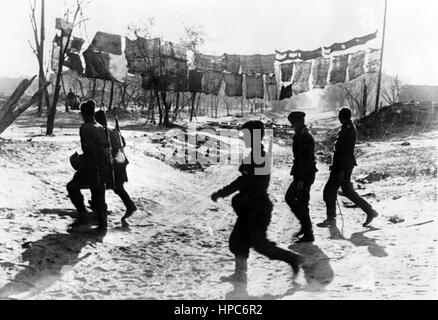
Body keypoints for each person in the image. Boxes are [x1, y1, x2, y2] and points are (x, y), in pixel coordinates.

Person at [211, 121, 304, 283]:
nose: (243, 138)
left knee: (260, 244)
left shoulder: (258, 155)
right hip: (251, 206)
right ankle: (240, 275)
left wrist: (222, 193)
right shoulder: (256, 153)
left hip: (257, 207)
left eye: (246, 135)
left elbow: (244, 181)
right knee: (238, 241)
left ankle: (293, 259)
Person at [317, 107, 379, 228]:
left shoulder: (349, 130)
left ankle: (331, 219)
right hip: (340, 166)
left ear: (342, 117)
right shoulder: (346, 128)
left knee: (330, 191)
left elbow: (346, 152)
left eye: (340, 116)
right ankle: (369, 211)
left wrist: (341, 171)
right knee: (344, 191)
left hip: (343, 167)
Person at [67, 100, 110, 234]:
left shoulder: (85, 128)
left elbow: (89, 149)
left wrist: (78, 160)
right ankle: (102, 224)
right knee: (99, 193)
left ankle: (83, 215)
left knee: (72, 186)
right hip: (104, 165)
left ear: (83, 114)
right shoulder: (100, 126)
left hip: (92, 165)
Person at [94, 110, 137, 223]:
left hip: (114, 163)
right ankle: (130, 205)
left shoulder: (103, 131)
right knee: (117, 187)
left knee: (111, 186)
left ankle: (130, 206)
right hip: (121, 161)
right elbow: (124, 143)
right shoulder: (113, 129)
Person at [285, 111, 317, 243]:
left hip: (304, 175)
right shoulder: (301, 135)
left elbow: (304, 161)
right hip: (302, 174)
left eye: (293, 123)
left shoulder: (304, 137)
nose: (292, 125)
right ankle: (305, 228)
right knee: (298, 201)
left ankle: (308, 232)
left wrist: (301, 180)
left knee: (296, 200)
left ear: (299, 122)